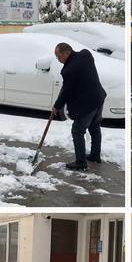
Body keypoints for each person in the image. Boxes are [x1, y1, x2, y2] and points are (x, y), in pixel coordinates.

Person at [52, 42, 107, 171]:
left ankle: (81, 162)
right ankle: (95, 155)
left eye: (58, 56)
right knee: (95, 128)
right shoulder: (85, 55)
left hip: (87, 104)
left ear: (67, 53)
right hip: (98, 98)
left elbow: (66, 90)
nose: (58, 59)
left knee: (77, 131)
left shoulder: (69, 70)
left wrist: (57, 106)